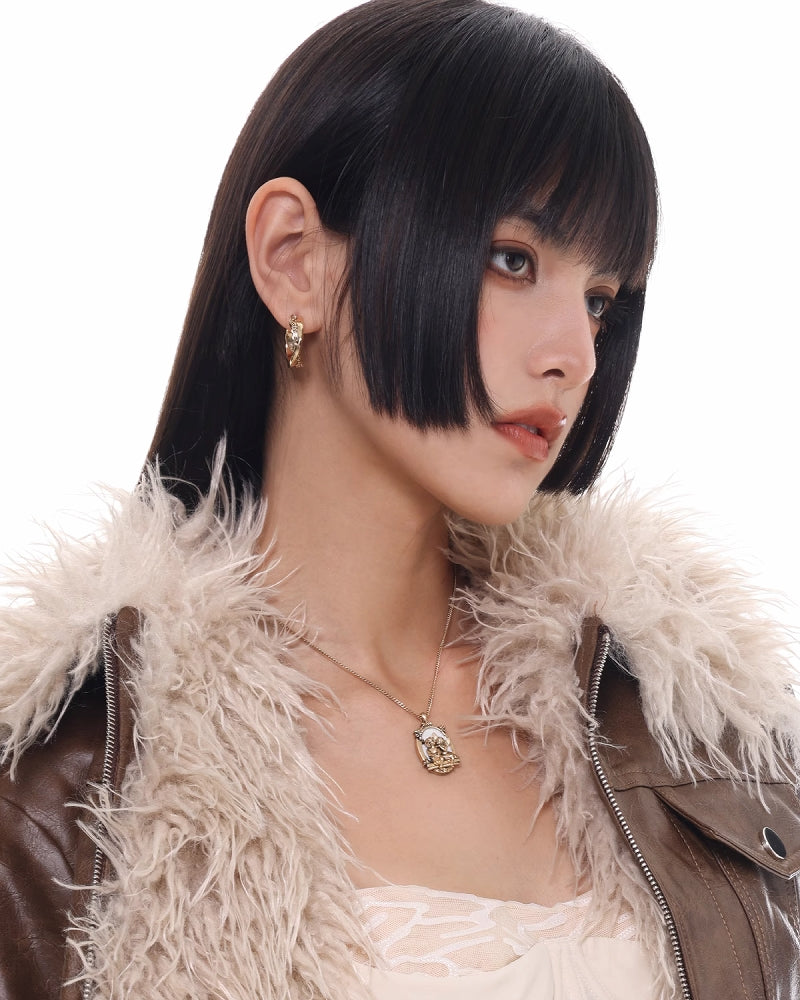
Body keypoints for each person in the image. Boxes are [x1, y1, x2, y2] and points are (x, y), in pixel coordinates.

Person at [1, 1, 798, 999]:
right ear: (294, 259)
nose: (576, 354)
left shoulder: (690, 726)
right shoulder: (72, 781)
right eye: (513, 259)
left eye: (600, 298)